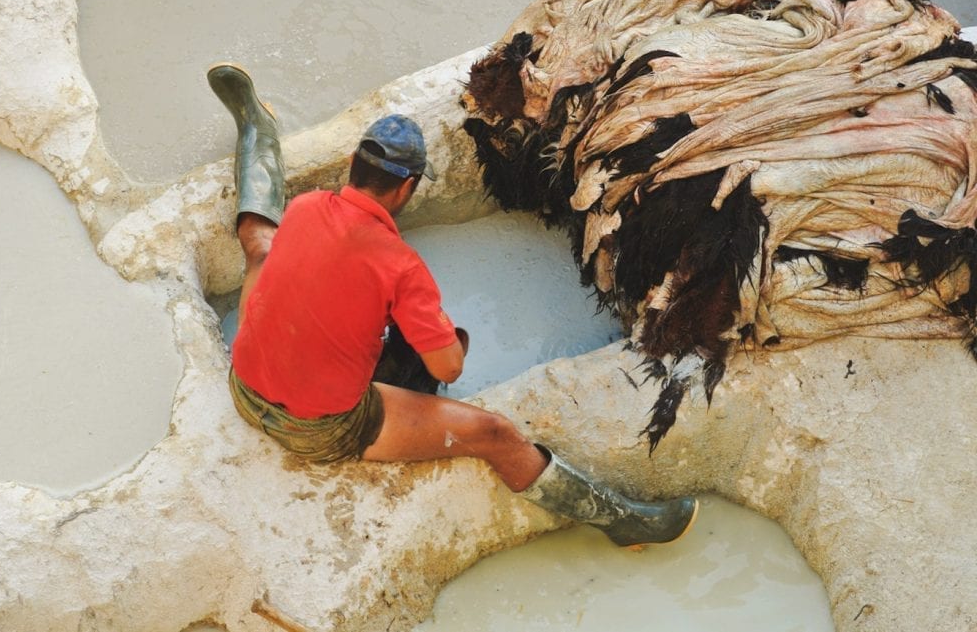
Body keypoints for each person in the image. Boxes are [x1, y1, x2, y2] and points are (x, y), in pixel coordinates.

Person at [209, 62, 699, 548]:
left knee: (261, 245)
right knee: (494, 432)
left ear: (352, 167)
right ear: (407, 188)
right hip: (319, 430)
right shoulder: (401, 267)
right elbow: (449, 365)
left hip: (245, 391)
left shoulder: (305, 206)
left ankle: (257, 128)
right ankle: (623, 523)